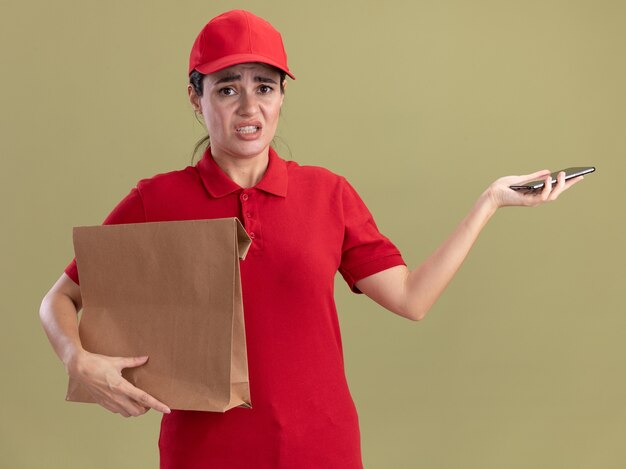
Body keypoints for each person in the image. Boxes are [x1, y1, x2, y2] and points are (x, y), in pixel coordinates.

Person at [38, 9, 584, 469]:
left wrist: (488, 202)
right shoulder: (157, 201)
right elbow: (59, 298)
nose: (249, 108)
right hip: (202, 455)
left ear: (280, 98)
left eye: (264, 88)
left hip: (322, 450)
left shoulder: (327, 194)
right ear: (195, 98)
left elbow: (412, 299)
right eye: (227, 89)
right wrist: (77, 360)